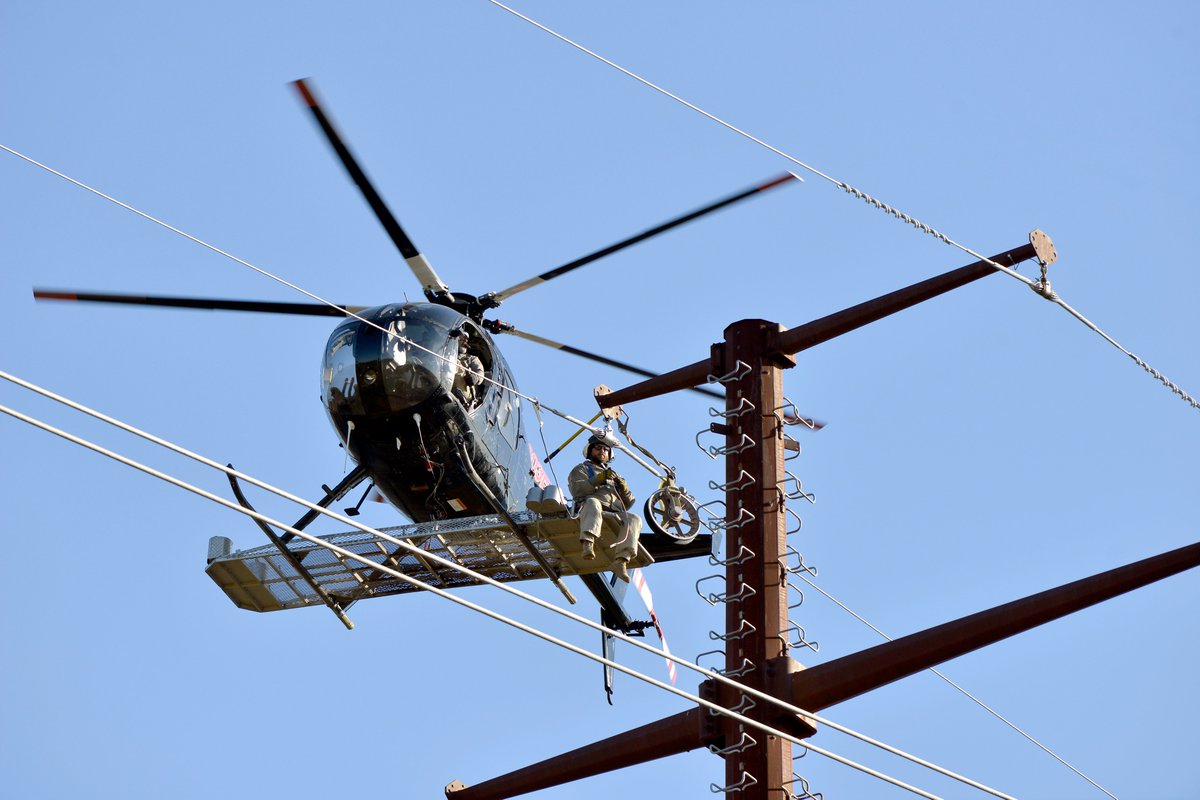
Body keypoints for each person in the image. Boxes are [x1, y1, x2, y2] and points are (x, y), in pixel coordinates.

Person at [568, 433, 641, 582]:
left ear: (609, 455)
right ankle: (588, 543)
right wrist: (599, 479)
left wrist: (624, 489)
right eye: (598, 448)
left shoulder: (614, 475)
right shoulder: (582, 469)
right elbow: (578, 490)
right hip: (589, 508)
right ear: (590, 451)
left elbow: (628, 503)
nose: (602, 451)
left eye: (606, 449)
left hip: (612, 513)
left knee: (634, 518)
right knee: (593, 502)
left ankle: (621, 561)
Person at [452, 331, 485, 408]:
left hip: (465, 389)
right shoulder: (444, 351)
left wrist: (475, 378)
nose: (464, 340)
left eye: (465, 339)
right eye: (461, 338)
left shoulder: (472, 358)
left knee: (456, 365)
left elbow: (480, 373)